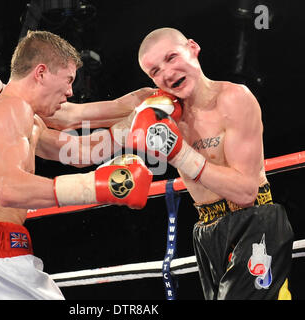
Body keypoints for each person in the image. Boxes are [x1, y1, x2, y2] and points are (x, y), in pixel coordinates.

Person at [0, 30, 153, 300]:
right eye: (68, 80)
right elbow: (9, 189)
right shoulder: (11, 109)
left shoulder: (22, 117)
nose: (70, 91)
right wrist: (100, 186)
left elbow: (78, 151)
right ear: (41, 73)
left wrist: (133, 126)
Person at [126, 27, 294, 300]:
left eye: (172, 57)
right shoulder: (160, 112)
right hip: (207, 231)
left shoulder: (233, 99)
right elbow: (79, 117)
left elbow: (246, 192)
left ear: (193, 48)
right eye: (155, 71)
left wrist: (179, 153)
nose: (167, 74)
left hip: (254, 222)